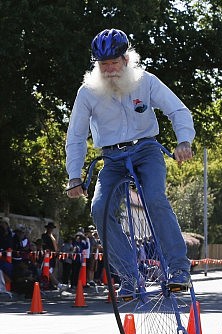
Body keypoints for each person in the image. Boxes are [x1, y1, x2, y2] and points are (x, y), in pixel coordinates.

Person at [65, 28, 195, 297]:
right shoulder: (87, 92)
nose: (109, 69)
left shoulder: (145, 81)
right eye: (103, 65)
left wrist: (184, 141)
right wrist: (74, 175)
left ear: (126, 59)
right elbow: (76, 135)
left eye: (114, 62)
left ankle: (179, 269)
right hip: (112, 159)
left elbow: (177, 109)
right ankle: (128, 275)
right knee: (99, 208)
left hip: (146, 151)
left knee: (155, 198)